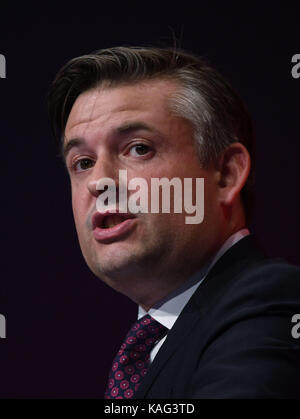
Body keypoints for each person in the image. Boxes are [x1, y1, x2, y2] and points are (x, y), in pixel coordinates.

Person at [47, 46, 300, 399]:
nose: (98, 182)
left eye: (138, 148)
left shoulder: (274, 304)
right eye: (83, 162)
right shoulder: (153, 345)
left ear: (225, 175)